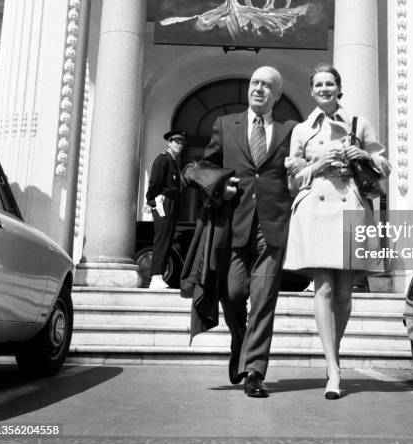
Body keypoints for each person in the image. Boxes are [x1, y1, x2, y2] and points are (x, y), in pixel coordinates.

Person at [284, 63, 391, 399]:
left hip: (350, 207)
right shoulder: (302, 130)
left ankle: (333, 352)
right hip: (316, 207)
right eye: (319, 85)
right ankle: (333, 368)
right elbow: (291, 179)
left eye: (330, 83)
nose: (325, 89)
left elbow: (384, 166)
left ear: (338, 88)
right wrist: (319, 163)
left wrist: (364, 155)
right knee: (325, 288)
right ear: (312, 91)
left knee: (345, 294)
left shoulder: (358, 123)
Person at [202, 66, 296, 398]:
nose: (259, 88)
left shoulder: (291, 130)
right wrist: (218, 185)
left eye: (267, 85)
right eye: (255, 83)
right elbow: (201, 167)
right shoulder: (225, 125)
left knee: (263, 300)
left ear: (277, 95)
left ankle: (254, 371)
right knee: (231, 294)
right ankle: (240, 343)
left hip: (273, 227)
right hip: (234, 225)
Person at [145, 129, 187, 290]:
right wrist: (151, 201)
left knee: (167, 240)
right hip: (163, 201)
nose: (179, 145)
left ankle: (159, 275)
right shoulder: (162, 160)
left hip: (171, 202)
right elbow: (155, 182)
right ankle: (156, 276)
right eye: (176, 142)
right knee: (162, 239)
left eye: (182, 142)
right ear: (169, 143)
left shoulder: (173, 162)